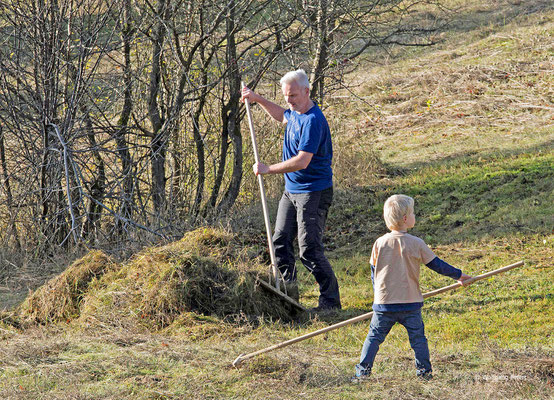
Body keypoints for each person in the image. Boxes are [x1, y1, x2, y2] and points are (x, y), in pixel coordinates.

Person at [241, 69, 341, 311]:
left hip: (313, 191)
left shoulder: (313, 121)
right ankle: (289, 292)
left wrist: (268, 169)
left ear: (307, 92)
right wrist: (257, 99)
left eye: (294, 96)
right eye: (286, 96)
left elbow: (302, 161)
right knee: (280, 241)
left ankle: (330, 302)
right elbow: (282, 116)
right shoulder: (295, 113)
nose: (289, 100)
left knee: (309, 249)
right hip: (292, 189)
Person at [352, 194, 472, 382]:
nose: (415, 215)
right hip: (411, 303)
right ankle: (424, 373)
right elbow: (437, 265)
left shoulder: (379, 243)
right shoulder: (417, 243)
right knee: (418, 340)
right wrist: (458, 275)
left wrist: (378, 297)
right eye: (413, 213)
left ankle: (362, 373)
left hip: (384, 305)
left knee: (373, 339)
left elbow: (373, 272)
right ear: (406, 219)